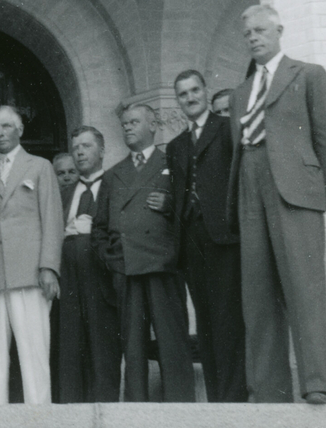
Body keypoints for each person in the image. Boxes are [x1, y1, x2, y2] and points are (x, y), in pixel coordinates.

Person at [227, 4, 326, 404]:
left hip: (295, 191)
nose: (254, 37)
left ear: (278, 30)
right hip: (250, 186)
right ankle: (269, 388)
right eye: (248, 33)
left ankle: (314, 382)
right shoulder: (241, 93)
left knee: (303, 286)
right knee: (257, 293)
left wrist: (314, 193)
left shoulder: (308, 74)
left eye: (261, 30)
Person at [92, 104, 194, 402]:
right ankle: (135, 409)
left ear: (152, 125)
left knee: (172, 343)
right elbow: (99, 228)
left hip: (164, 267)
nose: (127, 127)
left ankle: (182, 410)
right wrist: (112, 261)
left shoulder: (172, 162)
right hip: (127, 269)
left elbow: (189, 212)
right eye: (124, 124)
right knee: (133, 347)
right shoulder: (113, 175)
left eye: (134, 122)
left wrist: (170, 205)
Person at [0, 105, 61, 405]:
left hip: (29, 273)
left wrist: (49, 267)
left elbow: (53, 219)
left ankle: (39, 417)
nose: (0, 133)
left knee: (34, 352)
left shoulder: (40, 167)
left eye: (6, 126)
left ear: (20, 130)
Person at [166, 70, 246, 402]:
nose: (190, 97)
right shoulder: (176, 145)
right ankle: (216, 399)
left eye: (195, 90)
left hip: (224, 237)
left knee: (227, 317)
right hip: (191, 239)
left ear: (205, 91)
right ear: (178, 101)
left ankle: (233, 398)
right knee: (206, 319)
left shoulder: (227, 129)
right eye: (183, 94)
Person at [57, 126, 120, 404]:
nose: (80, 152)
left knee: (103, 349)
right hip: (67, 279)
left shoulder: (115, 185)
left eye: (86, 146)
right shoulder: (63, 193)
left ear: (102, 151)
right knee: (70, 349)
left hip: (101, 276)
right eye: (76, 148)